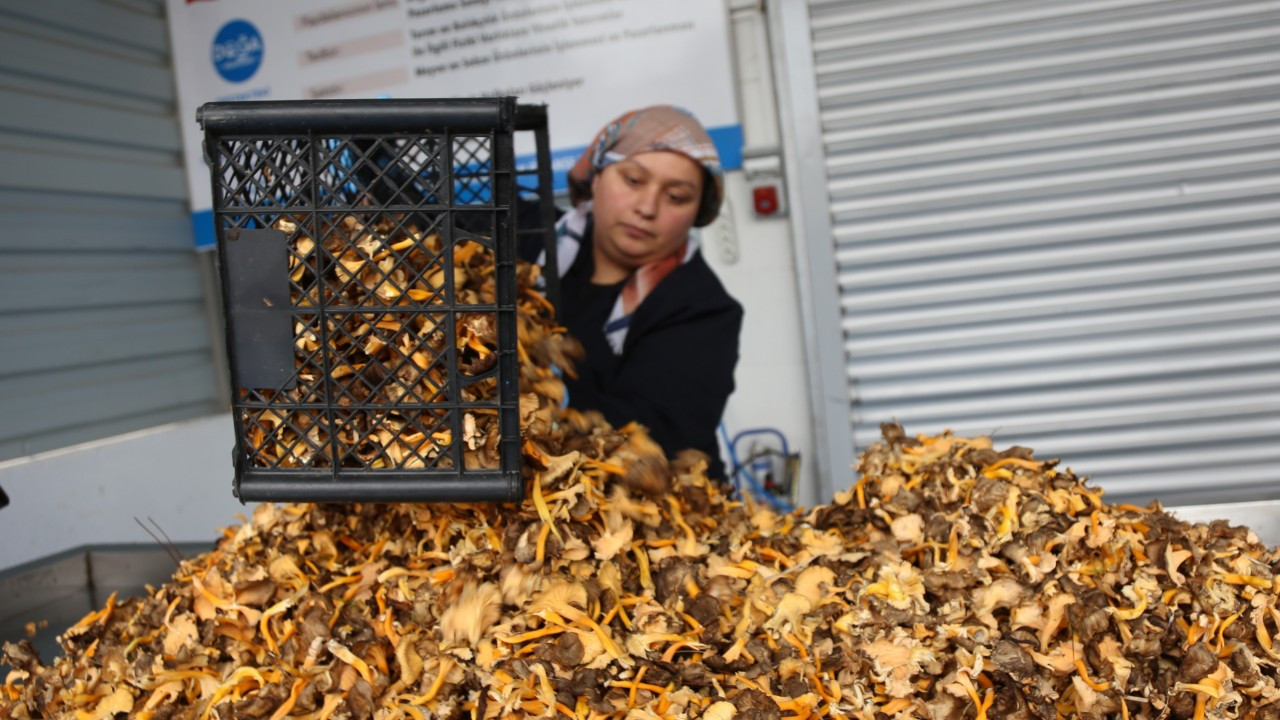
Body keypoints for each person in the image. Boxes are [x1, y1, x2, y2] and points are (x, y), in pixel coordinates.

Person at [520, 105, 743, 480]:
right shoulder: (527, 240)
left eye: (676, 197)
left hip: (649, 509)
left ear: (697, 212)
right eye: (634, 180)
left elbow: (653, 437)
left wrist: (526, 395)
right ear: (595, 177)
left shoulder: (702, 309)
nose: (647, 207)